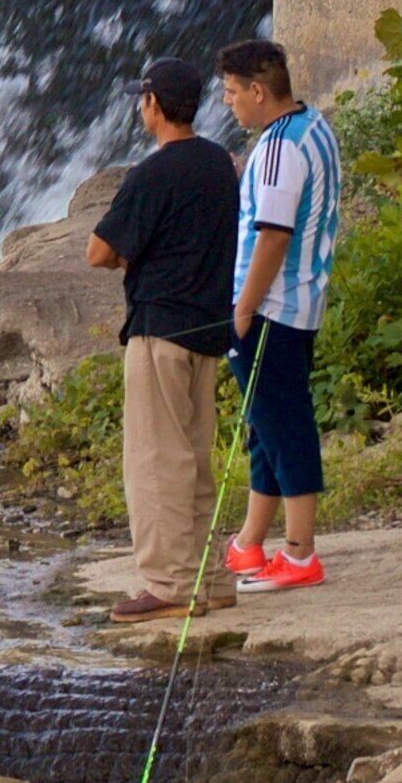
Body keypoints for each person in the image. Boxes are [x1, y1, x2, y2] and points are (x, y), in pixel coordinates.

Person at [85, 59, 241, 622]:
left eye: (141, 98)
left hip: (160, 331)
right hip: (207, 329)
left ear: (153, 104)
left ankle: (171, 584)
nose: (139, 107)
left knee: (155, 462)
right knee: (194, 458)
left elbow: (98, 252)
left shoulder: (151, 173)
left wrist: (130, 256)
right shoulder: (220, 164)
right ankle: (210, 577)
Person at [217, 38, 343, 593]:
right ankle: (250, 542)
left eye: (231, 92)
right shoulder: (313, 127)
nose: (227, 103)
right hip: (300, 302)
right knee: (265, 423)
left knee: (285, 426)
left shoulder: (276, 149)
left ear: (257, 91)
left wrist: (243, 308)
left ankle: (299, 551)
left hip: (271, 307)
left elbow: (273, 235)